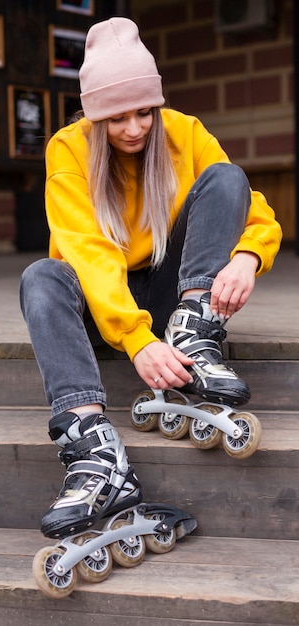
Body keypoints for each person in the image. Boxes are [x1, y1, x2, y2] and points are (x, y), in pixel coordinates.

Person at [19, 17, 282, 540]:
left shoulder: (185, 132)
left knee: (227, 177)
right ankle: (96, 454)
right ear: (94, 116)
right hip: (102, 305)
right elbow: (88, 253)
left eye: (145, 112)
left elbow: (250, 208)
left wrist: (248, 258)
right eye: (117, 118)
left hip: (171, 294)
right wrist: (136, 339)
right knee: (40, 277)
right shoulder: (68, 149)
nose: (135, 128)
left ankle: (193, 331)